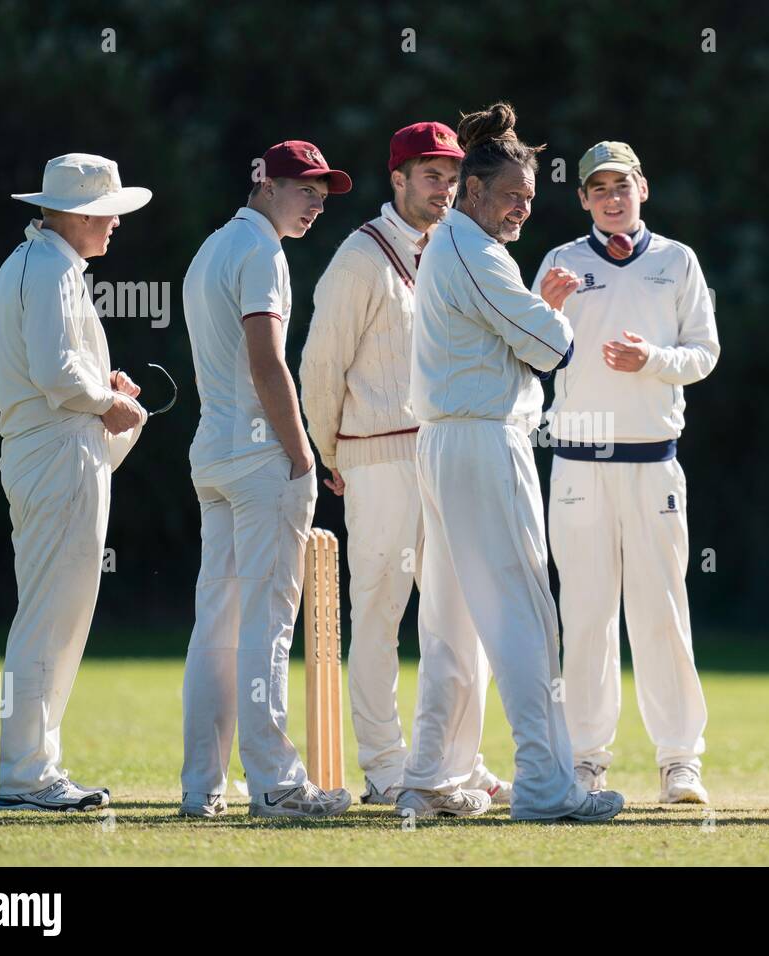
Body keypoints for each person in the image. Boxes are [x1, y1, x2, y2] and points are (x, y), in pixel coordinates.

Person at [400, 102, 624, 822]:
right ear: (472, 192)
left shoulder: (457, 244)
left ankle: (433, 776)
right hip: (480, 441)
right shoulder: (472, 247)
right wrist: (549, 312)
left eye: (529, 200)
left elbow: (520, 338)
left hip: (450, 442)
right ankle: (546, 786)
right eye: (510, 197)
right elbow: (552, 349)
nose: (521, 211)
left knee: (454, 620)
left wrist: (535, 315)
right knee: (526, 614)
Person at [300, 121, 511, 806]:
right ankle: (387, 766)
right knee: (382, 613)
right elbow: (320, 363)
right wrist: (329, 452)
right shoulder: (362, 256)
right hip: (378, 459)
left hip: (448, 456)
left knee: (462, 615)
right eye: (430, 175)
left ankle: (455, 760)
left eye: (452, 176)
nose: (444, 188)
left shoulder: (459, 248)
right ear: (397, 179)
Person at [533, 141, 719, 803]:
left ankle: (679, 760)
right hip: (578, 464)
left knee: (662, 613)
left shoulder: (677, 260)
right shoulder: (560, 262)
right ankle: (585, 758)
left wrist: (654, 361)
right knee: (584, 616)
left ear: (644, 188)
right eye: (599, 189)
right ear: (583, 198)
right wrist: (547, 314)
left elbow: (704, 353)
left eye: (623, 186)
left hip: (653, 461)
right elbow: (531, 357)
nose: (613, 198)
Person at [180, 140, 354, 819]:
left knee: (216, 625)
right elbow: (266, 361)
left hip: (213, 455)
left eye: (323, 191)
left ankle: (201, 788)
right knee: (267, 625)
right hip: (259, 460)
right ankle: (278, 785)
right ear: (267, 184)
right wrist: (302, 452)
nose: (315, 202)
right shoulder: (263, 254)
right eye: (304, 187)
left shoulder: (211, 249)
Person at [0, 153, 151, 810]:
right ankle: (27, 775)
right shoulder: (50, 267)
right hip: (56, 454)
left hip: (56, 450)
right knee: (50, 617)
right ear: (77, 214)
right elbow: (57, 378)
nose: (115, 224)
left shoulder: (48, 265)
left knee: (55, 615)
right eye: (107, 213)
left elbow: (57, 370)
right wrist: (104, 401)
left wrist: (104, 389)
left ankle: (34, 768)